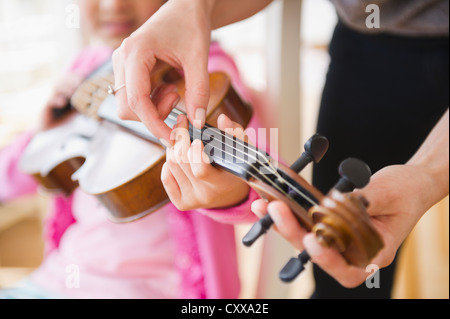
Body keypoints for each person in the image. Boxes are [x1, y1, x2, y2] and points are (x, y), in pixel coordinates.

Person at [111, 0, 449, 298]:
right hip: (371, 44)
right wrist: (196, 5)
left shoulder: (222, 71)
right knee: (345, 285)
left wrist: (430, 175)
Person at [0, 0, 261, 299]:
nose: (114, 4)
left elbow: (259, 187)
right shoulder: (83, 67)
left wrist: (229, 196)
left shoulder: (206, 69)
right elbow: (10, 177)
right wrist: (44, 135)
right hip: (58, 281)